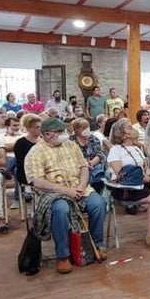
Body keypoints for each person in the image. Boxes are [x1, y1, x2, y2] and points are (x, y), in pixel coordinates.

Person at [25, 117, 107, 274]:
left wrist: (82, 186)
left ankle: (96, 244)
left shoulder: (71, 145)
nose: (65, 133)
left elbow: (84, 167)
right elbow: (38, 182)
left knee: (98, 203)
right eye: (60, 131)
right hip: (53, 193)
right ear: (47, 134)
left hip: (79, 188)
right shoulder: (35, 153)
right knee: (61, 210)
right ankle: (63, 255)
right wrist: (65, 190)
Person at [107, 119, 150, 249]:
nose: (134, 129)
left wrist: (147, 172)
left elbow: (146, 165)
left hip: (142, 182)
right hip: (126, 186)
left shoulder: (137, 148)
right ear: (123, 134)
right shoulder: (115, 149)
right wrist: (142, 177)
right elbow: (120, 173)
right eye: (130, 127)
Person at [70, 118, 105, 194]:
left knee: (99, 176)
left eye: (87, 127)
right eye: (83, 128)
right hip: (78, 167)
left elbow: (100, 153)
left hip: (94, 165)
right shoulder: (71, 141)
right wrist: (85, 164)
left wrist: (92, 162)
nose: (87, 130)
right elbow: (71, 157)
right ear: (76, 130)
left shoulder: (93, 138)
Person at [13, 113, 42, 189]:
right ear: (28, 128)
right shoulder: (20, 143)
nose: (40, 129)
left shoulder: (44, 141)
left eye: (40, 127)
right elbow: (21, 162)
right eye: (37, 127)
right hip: (27, 172)